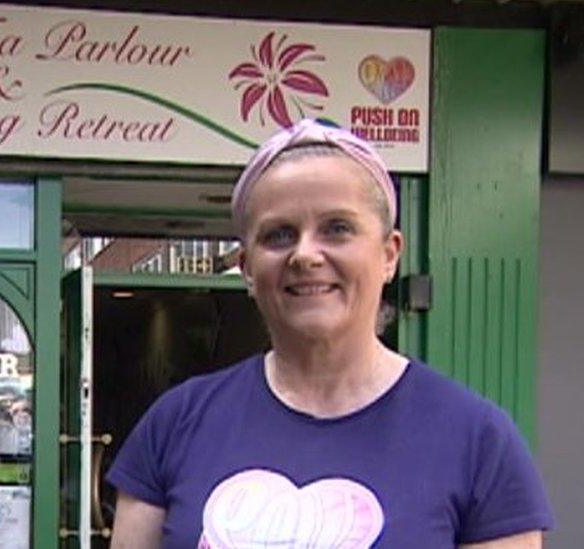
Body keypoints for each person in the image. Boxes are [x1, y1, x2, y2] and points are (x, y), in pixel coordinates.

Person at [106, 119, 553, 548]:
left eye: (337, 228)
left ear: (389, 254)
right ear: (246, 268)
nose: (305, 254)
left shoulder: (478, 440)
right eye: (279, 235)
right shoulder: (176, 425)